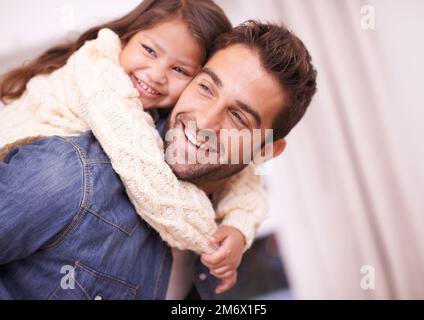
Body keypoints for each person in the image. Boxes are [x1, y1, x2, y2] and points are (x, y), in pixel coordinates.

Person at [0, 20, 317, 299]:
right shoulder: (69, 175)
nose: (204, 122)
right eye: (206, 88)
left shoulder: (220, 233)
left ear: (264, 151)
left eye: (237, 117)